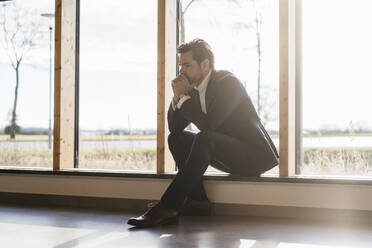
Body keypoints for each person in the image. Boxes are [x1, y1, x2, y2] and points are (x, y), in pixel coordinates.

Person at [127, 39, 278, 227]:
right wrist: (178, 97)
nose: (181, 71)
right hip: (227, 152)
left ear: (205, 64)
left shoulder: (228, 82)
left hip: (253, 156)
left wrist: (184, 97)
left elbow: (211, 125)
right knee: (176, 139)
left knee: (204, 137)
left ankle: (168, 205)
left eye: (187, 65)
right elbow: (175, 128)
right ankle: (198, 202)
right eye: (180, 65)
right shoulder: (195, 90)